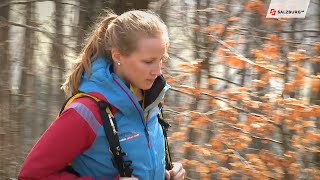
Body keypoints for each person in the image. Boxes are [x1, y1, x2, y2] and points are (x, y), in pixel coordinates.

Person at [18, 10, 185, 180]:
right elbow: (31, 175)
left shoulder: (152, 101)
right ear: (118, 56)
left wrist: (166, 174)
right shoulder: (86, 112)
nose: (158, 71)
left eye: (161, 59)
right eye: (148, 61)